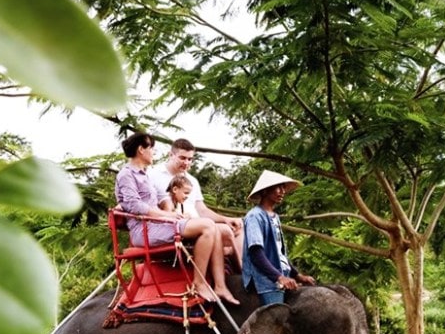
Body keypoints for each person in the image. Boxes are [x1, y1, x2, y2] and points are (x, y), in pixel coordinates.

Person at [114, 132, 239, 305]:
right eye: (151, 148)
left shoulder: (144, 174)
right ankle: (199, 283)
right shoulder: (126, 175)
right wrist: (169, 215)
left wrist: (171, 206)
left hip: (156, 225)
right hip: (143, 230)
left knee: (212, 226)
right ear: (141, 150)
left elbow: (159, 197)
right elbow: (135, 206)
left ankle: (220, 285)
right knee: (207, 226)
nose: (154, 152)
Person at [149, 138, 244, 271]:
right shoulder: (153, 174)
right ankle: (239, 267)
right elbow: (150, 206)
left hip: (199, 223)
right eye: (182, 158)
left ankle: (236, 266)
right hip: (177, 227)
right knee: (225, 231)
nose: (186, 162)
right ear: (171, 155)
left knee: (239, 226)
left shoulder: (191, 180)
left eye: (190, 159)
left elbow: (202, 210)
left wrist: (226, 219)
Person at [241, 169, 315, 307]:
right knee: (277, 321)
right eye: (278, 187)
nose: (282, 191)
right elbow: (256, 253)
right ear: (265, 191)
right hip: (266, 280)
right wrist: (279, 277)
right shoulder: (254, 216)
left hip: (281, 274)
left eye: (284, 187)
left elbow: (280, 254)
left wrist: (297, 275)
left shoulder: (275, 217)